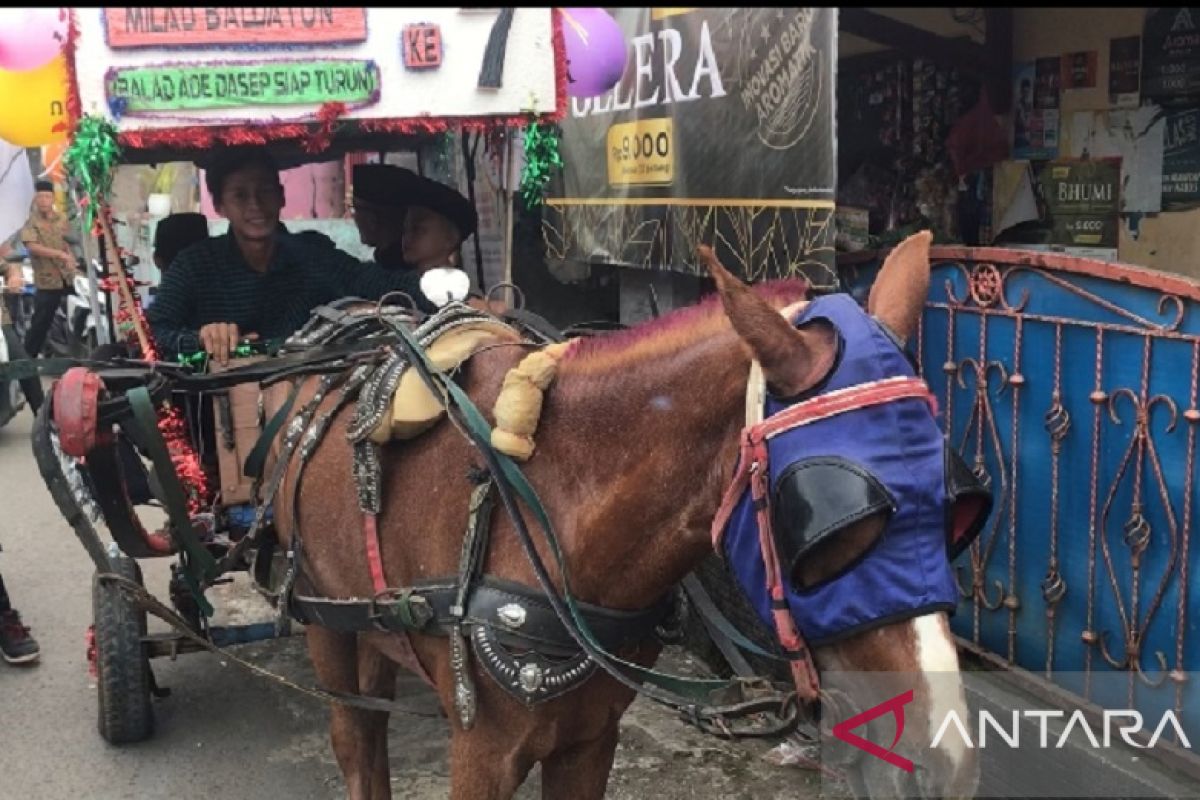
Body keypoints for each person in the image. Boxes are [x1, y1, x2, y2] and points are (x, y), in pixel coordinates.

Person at [147, 146, 435, 365]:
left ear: (281, 196)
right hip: (223, 422)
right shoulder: (194, 265)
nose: (256, 205)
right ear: (220, 206)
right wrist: (199, 339)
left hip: (312, 415)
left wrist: (443, 291)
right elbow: (154, 333)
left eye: (265, 191)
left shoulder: (314, 256)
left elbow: (376, 282)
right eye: (240, 196)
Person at [20, 180, 76, 360]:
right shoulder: (30, 222)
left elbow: (67, 241)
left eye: (48, 196)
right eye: (41, 196)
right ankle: (27, 358)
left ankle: (71, 355)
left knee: (69, 317)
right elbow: (32, 246)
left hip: (67, 277)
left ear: (53, 198)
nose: (44, 200)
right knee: (41, 322)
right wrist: (59, 254)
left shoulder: (62, 219)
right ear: (35, 199)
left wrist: (71, 257)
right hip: (47, 280)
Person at [350, 163, 417, 272]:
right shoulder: (415, 263)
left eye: (356, 209)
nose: (354, 216)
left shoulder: (386, 274)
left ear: (372, 220)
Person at [0, 256, 43, 415]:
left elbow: (9, 267)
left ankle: (42, 416)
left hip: (1, 323)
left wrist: (14, 277)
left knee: (24, 365)